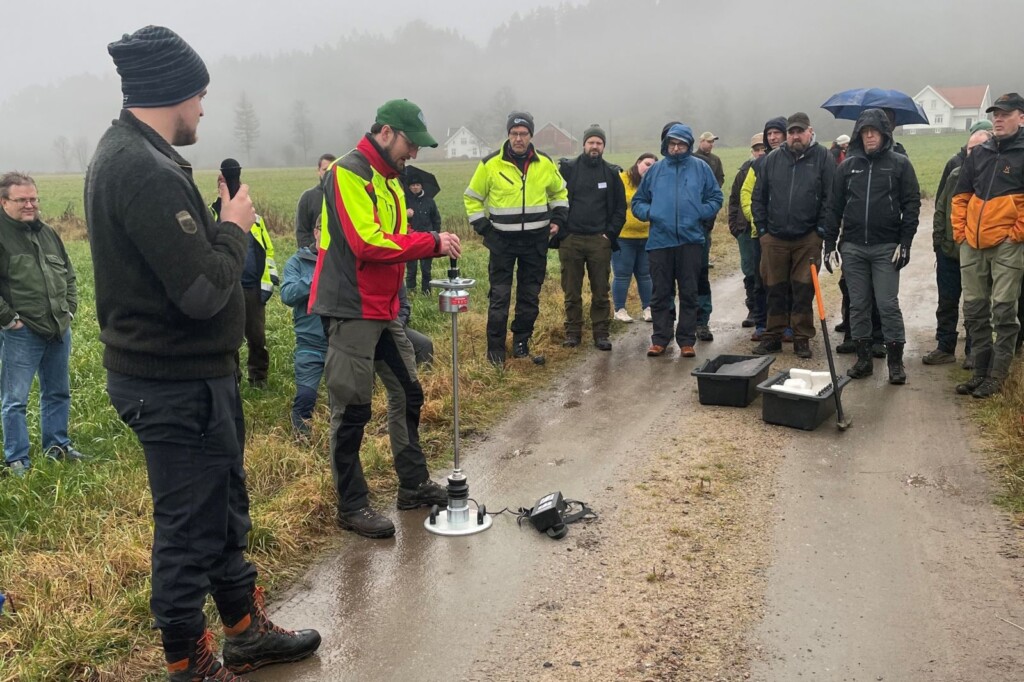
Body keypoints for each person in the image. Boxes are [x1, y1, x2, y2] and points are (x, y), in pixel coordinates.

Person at [86, 25, 320, 680]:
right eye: (201, 95)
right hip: (171, 385)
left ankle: (244, 631)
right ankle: (190, 662)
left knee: (222, 510)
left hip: (195, 378)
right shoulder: (140, 168)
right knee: (188, 528)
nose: (203, 109)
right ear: (174, 91)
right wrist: (234, 230)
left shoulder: (143, 157)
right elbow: (201, 290)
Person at [309, 98, 461, 538]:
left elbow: (396, 237)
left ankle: (412, 485)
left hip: (384, 307)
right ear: (387, 132)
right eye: (411, 144)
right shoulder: (348, 172)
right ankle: (352, 506)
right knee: (352, 410)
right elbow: (367, 243)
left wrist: (428, 239)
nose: (414, 153)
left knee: (408, 393)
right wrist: (429, 243)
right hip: (350, 309)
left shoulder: (391, 178)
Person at [464, 111, 569, 365]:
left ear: (531, 135)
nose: (518, 138)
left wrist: (558, 219)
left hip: (535, 242)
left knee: (529, 296)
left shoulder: (545, 163)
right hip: (502, 242)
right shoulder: (490, 164)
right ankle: (496, 351)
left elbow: (560, 192)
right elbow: (472, 198)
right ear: (508, 135)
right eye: (514, 134)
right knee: (499, 296)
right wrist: (485, 230)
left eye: (523, 134)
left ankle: (521, 343)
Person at [824, 108, 921, 384]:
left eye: (874, 131)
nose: (869, 136)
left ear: (884, 134)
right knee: (858, 304)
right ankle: (864, 359)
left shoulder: (899, 165)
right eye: (864, 132)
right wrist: (829, 244)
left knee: (888, 304)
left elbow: (911, 204)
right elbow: (834, 207)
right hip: (853, 246)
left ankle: (895, 363)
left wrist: (905, 242)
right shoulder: (847, 167)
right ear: (858, 135)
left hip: (885, 247)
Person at [0, 172, 85, 477]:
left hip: (58, 329)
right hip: (22, 334)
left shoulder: (48, 233)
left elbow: (70, 275)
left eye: (33, 198)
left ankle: (58, 447)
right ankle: (17, 459)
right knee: (14, 400)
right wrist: (10, 320)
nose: (30, 204)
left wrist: (69, 310)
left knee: (57, 392)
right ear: (4, 201)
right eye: (21, 199)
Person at [951, 92, 1024, 399]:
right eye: (995, 114)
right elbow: (960, 195)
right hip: (973, 244)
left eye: (1005, 114)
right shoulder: (980, 152)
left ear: (1021, 117)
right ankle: (980, 371)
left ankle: (997, 375)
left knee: (1004, 311)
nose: (998, 119)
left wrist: (1017, 233)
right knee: (975, 310)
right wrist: (961, 234)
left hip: (1007, 244)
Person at [631, 123, 723, 358]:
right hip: (660, 241)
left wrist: (701, 212)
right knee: (661, 293)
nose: (676, 148)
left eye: (681, 144)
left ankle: (686, 340)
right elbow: (638, 202)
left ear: (689, 145)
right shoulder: (655, 170)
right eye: (672, 144)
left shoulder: (701, 168)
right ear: (666, 145)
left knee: (689, 292)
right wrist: (651, 213)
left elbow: (716, 196)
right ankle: (660, 339)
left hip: (691, 240)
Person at [750, 112, 836, 359]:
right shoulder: (772, 160)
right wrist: (763, 230)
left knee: (803, 289)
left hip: (807, 238)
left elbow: (831, 197)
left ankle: (801, 338)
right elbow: (759, 197)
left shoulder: (823, 157)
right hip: (774, 238)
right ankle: (773, 336)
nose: (795, 136)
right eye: (791, 132)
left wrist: (820, 231)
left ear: (810, 131)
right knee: (774, 288)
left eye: (800, 131)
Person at [923, 129, 992, 368]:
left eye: (979, 148)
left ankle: (974, 352)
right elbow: (942, 207)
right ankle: (945, 347)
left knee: (976, 305)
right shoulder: (955, 174)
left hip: (978, 252)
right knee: (947, 302)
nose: (972, 153)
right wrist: (938, 242)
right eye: (970, 148)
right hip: (949, 252)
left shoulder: (997, 179)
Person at [555, 123, 626, 350]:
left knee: (601, 291)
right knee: (571, 292)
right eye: (591, 142)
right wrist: (562, 233)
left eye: (599, 143)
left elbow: (620, 209)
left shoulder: (612, 173)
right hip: (571, 240)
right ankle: (573, 333)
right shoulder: (568, 169)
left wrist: (609, 234)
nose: (594, 146)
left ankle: (601, 333)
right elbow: (553, 198)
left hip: (599, 241)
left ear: (603, 146)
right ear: (583, 144)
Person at [212, 159, 278, 388]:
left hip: (252, 288)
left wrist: (269, 281)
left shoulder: (255, 220)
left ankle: (259, 378)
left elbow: (268, 250)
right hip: (228, 289)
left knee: (257, 337)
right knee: (230, 339)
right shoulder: (213, 217)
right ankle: (233, 379)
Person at [740, 116, 788, 342]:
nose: (773, 137)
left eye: (777, 133)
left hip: (787, 232)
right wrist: (757, 222)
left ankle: (786, 325)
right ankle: (761, 323)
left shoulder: (794, 160)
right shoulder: (757, 164)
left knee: (786, 282)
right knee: (761, 281)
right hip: (761, 233)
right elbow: (746, 194)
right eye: (769, 134)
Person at [280, 220, 328, 439]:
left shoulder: (346, 259)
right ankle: (302, 439)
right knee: (306, 396)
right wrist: (318, 275)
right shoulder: (297, 262)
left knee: (349, 398)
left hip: (342, 342)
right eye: (326, 230)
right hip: (310, 343)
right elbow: (287, 295)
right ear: (316, 231)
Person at [727, 133, 767, 328]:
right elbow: (734, 199)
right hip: (745, 229)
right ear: (752, 151)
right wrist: (734, 226)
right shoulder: (744, 171)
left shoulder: (774, 166)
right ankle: (753, 309)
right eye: (757, 149)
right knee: (750, 270)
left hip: (768, 230)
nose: (760, 152)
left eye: (763, 149)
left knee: (767, 272)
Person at [613, 153, 657, 323]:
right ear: (638, 162)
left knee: (646, 275)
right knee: (622, 275)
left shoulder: (653, 182)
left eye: (653, 166)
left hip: (646, 236)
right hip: (623, 237)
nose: (649, 168)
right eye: (646, 164)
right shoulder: (622, 179)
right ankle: (619, 309)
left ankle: (648, 308)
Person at [691, 131, 725, 342]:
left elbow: (718, 186)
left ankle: (702, 321)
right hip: (677, 231)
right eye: (708, 141)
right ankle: (672, 326)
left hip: (702, 227)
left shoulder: (715, 161)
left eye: (713, 141)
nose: (711, 144)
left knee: (701, 275)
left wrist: (707, 214)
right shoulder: (692, 160)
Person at [404, 177, 442, 295]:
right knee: (411, 270)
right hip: (411, 240)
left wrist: (435, 236)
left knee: (426, 270)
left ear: (421, 186)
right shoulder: (404, 201)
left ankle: (427, 293)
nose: (415, 187)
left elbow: (436, 219)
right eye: (412, 185)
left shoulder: (430, 201)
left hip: (427, 239)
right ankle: (411, 293)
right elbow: (397, 220)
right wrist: (405, 213)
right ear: (409, 187)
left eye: (417, 185)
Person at [295, 153, 336, 249]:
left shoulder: (345, 195)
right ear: (318, 171)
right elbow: (301, 231)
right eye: (325, 169)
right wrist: (309, 253)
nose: (328, 172)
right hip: (314, 255)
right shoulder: (308, 198)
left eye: (332, 169)